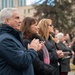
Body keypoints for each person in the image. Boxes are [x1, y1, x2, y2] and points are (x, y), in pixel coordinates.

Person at [0, 8, 44, 75]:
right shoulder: (5, 40)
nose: (20, 21)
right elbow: (22, 61)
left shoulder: (13, 37)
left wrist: (30, 50)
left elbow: (21, 57)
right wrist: (33, 50)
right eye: (17, 18)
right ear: (7, 21)